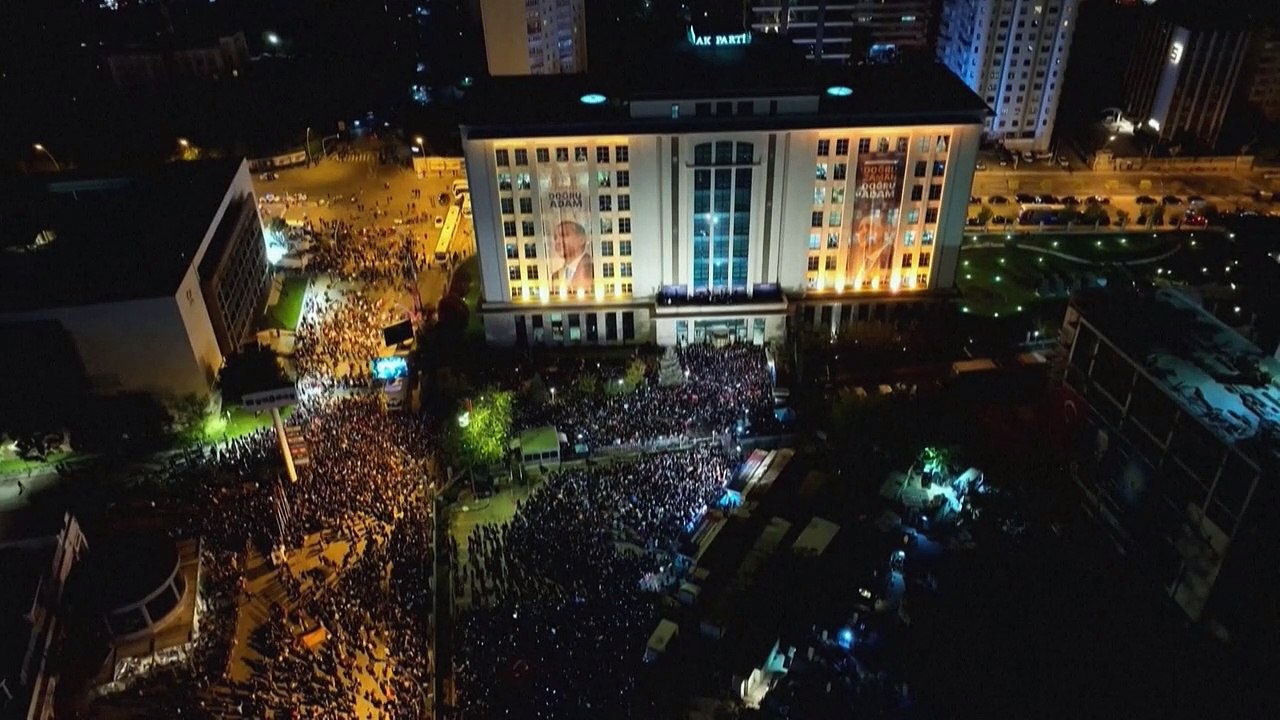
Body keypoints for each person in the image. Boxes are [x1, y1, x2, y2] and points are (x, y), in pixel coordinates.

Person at [550, 220, 593, 292]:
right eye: (555, 238)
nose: (558, 241)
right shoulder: (555, 275)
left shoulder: (594, 269)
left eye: (564, 235)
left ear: (581, 239)